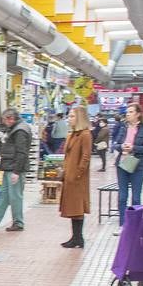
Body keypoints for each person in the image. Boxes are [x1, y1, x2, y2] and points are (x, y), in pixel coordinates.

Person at [0, 108, 31, 231]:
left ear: (11, 119)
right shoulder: (15, 128)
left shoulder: (20, 130)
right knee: (3, 194)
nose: (4, 123)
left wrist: (16, 172)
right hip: (8, 166)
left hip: (14, 168)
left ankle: (18, 222)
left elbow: (22, 152)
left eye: (4, 120)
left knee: (15, 196)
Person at [113, 104, 143, 227]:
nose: (128, 114)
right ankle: (123, 224)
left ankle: (135, 225)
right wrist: (121, 146)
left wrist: (134, 148)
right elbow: (116, 143)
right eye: (127, 112)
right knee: (122, 196)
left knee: (136, 197)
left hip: (138, 165)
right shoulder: (123, 128)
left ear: (138, 114)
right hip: (122, 164)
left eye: (131, 112)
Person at [59, 105, 92, 249]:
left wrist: (78, 173)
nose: (69, 119)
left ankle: (78, 237)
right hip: (69, 176)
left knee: (77, 207)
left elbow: (86, 156)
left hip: (77, 178)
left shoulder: (85, 134)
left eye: (72, 116)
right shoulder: (72, 134)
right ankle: (76, 237)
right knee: (72, 208)